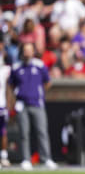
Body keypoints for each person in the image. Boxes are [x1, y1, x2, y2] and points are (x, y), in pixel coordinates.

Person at [7, 43, 57, 171]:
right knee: (24, 133)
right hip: (22, 104)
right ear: (22, 52)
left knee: (42, 132)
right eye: (25, 50)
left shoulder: (40, 65)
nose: (27, 53)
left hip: (37, 103)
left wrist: (39, 94)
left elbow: (47, 82)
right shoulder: (16, 67)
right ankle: (26, 159)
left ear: (33, 51)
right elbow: (11, 85)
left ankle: (46, 158)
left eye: (29, 50)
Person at [0, 35, 11, 167]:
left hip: (1, 103)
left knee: (2, 131)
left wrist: (9, 104)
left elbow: (9, 88)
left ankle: (3, 156)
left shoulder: (6, 66)